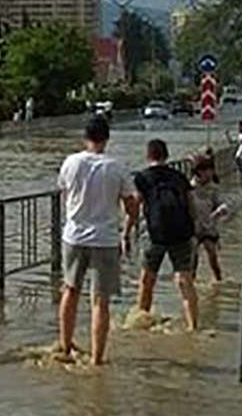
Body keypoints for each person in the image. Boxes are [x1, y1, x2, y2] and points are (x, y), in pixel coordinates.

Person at [56, 113, 139, 365]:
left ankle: (66, 345)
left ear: (85, 138)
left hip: (74, 236)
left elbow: (64, 194)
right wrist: (131, 224)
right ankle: (97, 358)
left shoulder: (70, 163)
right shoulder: (116, 167)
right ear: (107, 139)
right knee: (100, 301)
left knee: (70, 290)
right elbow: (130, 204)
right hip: (105, 238)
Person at [130, 138, 200, 332]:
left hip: (155, 234)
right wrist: (194, 230)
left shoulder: (142, 178)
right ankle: (193, 326)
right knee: (185, 280)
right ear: (166, 155)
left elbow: (135, 207)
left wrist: (126, 231)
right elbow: (191, 205)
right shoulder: (179, 176)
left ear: (148, 155)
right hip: (182, 234)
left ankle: (141, 323)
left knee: (147, 280)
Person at [190, 152, 226, 285]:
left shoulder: (213, 188)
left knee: (212, 253)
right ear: (198, 172)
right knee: (193, 257)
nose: (210, 173)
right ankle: (192, 282)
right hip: (193, 228)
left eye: (211, 170)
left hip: (209, 227)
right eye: (207, 170)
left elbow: (220, 203)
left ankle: (218, 280)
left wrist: (221, 209)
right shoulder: (190, 188)